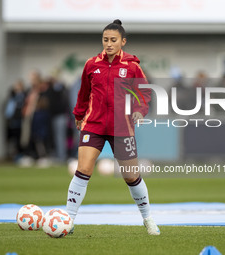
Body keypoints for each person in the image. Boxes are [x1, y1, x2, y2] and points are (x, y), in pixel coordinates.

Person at [66, 19, 160, 235]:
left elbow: (144, 92)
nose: (108, 44)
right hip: (94, 125)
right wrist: (79, 115)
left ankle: (148, 219)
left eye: (113, 40)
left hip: (122, 127)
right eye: (105, 39)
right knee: (83, 170)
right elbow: (83, 94)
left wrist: (139, 110)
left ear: (123, 42)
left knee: (131, 176)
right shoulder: (91, 65)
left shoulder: (132, 66)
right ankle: (69, 220)